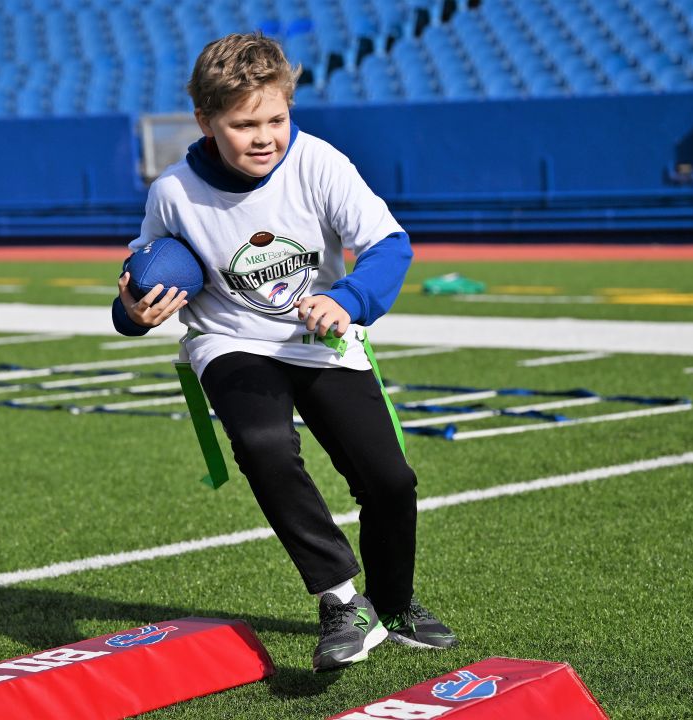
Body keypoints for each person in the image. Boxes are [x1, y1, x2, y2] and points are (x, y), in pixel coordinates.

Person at [111, 32, 457, 672]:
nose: (265, 136)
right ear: (206, 122)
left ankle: (396, 601)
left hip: (320, 336)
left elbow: (390, 247)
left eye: (276, 118)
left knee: (390, 480)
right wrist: (131, 313)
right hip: (231, 339)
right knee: (265, 444)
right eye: (244, 124)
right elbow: (140, 281)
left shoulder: (320, 162)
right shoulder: (174, 192)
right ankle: (339, 599)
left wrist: (348, 301)